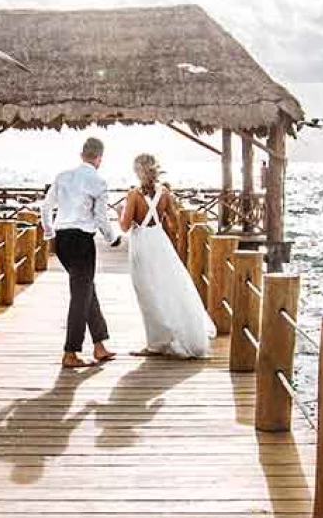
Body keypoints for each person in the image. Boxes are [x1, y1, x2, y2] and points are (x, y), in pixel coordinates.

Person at [120, 153, 214, 359]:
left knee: (146, 292)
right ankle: (172, 333)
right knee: (169, 288)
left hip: (142, 244)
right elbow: (173, 223)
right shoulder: (165, 193)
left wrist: (122, 212)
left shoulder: (133, 195)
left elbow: (125, 227)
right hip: (160, 243)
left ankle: (155, 343)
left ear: (138, 171)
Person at [41, 135, 118, 369]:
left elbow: (45, 207)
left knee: (85, 290)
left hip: (62, 240)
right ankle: (70, 352)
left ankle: (99, 345)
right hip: (82, 241)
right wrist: (112, 238)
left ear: (82, 154)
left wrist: (49, 234)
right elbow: (101, 218)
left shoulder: (62, 176)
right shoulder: (98, 182)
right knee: (80, 295)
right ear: (99, 158)